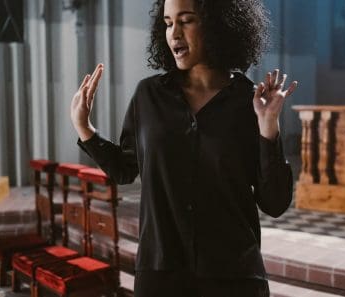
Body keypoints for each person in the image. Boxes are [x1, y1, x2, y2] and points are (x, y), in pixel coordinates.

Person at [70, 0, 298, 296]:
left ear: (217, 24)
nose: (174, 33)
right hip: (162, 273)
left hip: (234, 274)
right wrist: (84, 129)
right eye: (167, 23)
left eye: (186, 20)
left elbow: (275, 203)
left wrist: (269, 127)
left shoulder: (250, 102)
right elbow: (125, 169)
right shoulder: (149, 96)